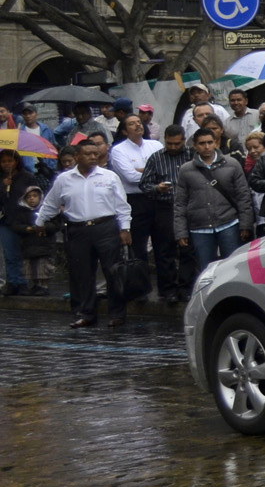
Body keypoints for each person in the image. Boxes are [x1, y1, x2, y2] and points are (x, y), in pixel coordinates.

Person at [34, 137, 132, 328]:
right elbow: (51, 203)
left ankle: (117, 313)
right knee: (82, 273)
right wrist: (40, 221)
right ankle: (86, 313)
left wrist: (125, 228)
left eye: (95, 154)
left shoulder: (109, 177)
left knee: (113, 272)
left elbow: (122, 205)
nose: (93, 157)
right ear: (77, 156)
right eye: (88, 154)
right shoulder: (63, 179)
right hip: (78, 229)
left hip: (105, 227)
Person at [174, 127, 254, 273]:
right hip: (200, 227)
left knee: (232, 266)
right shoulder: (186, 170)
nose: (206, 146)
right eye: (202, 143)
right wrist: (181, 232)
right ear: (195, 146)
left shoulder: (232, 164)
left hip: (228, 222)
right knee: (206, 270)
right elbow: (180, 202)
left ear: (216, 143)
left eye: (210, 142)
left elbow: (243, 196)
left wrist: (245, 224)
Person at [108, 114, 163, 292]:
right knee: (139, 247)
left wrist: (142, 170)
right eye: (132, 124)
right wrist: (152, 172)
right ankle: (141, 289)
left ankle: (166, 288)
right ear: (124, 130)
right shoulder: (118, 150)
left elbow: (165, 171)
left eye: (139, 122)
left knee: (164, 245)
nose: (138, 126)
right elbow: (130, 177)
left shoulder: (155, 145)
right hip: (136, 201)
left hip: (159, 198)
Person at [140, 125, 193, 302]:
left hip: (189, 207)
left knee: (188, 249)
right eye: (169, 143)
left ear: (183, 141)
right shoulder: (156, 158)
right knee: (164, 250)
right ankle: (168, 289)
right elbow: (144, 184)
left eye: (176, 144)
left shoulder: (192, 155)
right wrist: (157, 188)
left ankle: (185, 287)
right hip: (165, 207)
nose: (172, 147)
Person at [12, 184, 53, 295]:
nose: (32, 198)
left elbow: (54, 225)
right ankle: (35, 285)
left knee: (42, 267)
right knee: (30, 267)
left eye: (35, 196)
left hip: (43, 244)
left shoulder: (46, 211)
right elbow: (16, 226)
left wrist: (44, 228)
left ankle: (43, 286)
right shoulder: (22, 213)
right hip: (28, 244)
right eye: (29, 197)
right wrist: (27, 229)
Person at [0, 149, 32, 294]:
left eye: (10, 161)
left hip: (24, 220)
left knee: (24, 252)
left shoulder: (27, 177)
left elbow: (34, 196)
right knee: (9, 252)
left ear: (16, 161)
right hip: (6, 220)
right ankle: (13, 281)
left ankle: (24, 282)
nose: (7, 164)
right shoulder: (1, 178)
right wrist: (3, 186)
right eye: (4, 162)